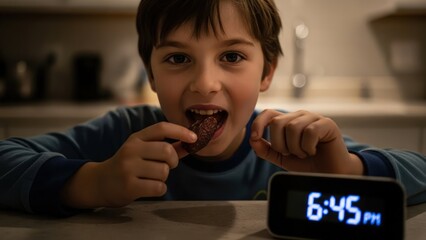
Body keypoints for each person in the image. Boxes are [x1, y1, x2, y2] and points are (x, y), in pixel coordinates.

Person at [1, 0, 425, 217]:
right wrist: (92, 182)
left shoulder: (290, 145)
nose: (205, 83)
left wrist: (348, 172)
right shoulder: (123, 135)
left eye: (232, 57)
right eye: (178, 58)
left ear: (267, 73)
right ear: (150, 75)